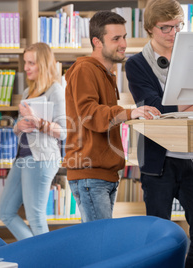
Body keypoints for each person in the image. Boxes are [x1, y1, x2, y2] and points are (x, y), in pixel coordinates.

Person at [125, 1, 193, 266]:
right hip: (158, 160)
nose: (173, 33)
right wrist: (191, 101)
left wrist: (179, 103)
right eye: (165, 28)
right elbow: (154, 107)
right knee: (159, 234)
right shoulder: (136, 64)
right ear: (150, 28)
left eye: (178, 26)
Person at [63, 11, 159, 224]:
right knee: (100, 242)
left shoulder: (105, 73)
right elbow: (90, 114)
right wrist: (129, 112)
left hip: (104, 175)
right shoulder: (85, 70)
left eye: (124, 37)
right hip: (90, 175)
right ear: (97, 41)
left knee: (100, 241)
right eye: (116, 39)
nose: (123, 44)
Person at [0, 42, 66, 240]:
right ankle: (34, 253)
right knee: (5, 212)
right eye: (25, 62)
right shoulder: (28, 92)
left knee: (35, 216)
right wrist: (18, 127)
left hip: (42, 160)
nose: (25, 68)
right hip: (23, 157)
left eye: (31, 63)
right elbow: (19, 127)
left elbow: (64, 132)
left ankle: (44, 260)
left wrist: (39, 123)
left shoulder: (56, 91)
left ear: (43, 64)